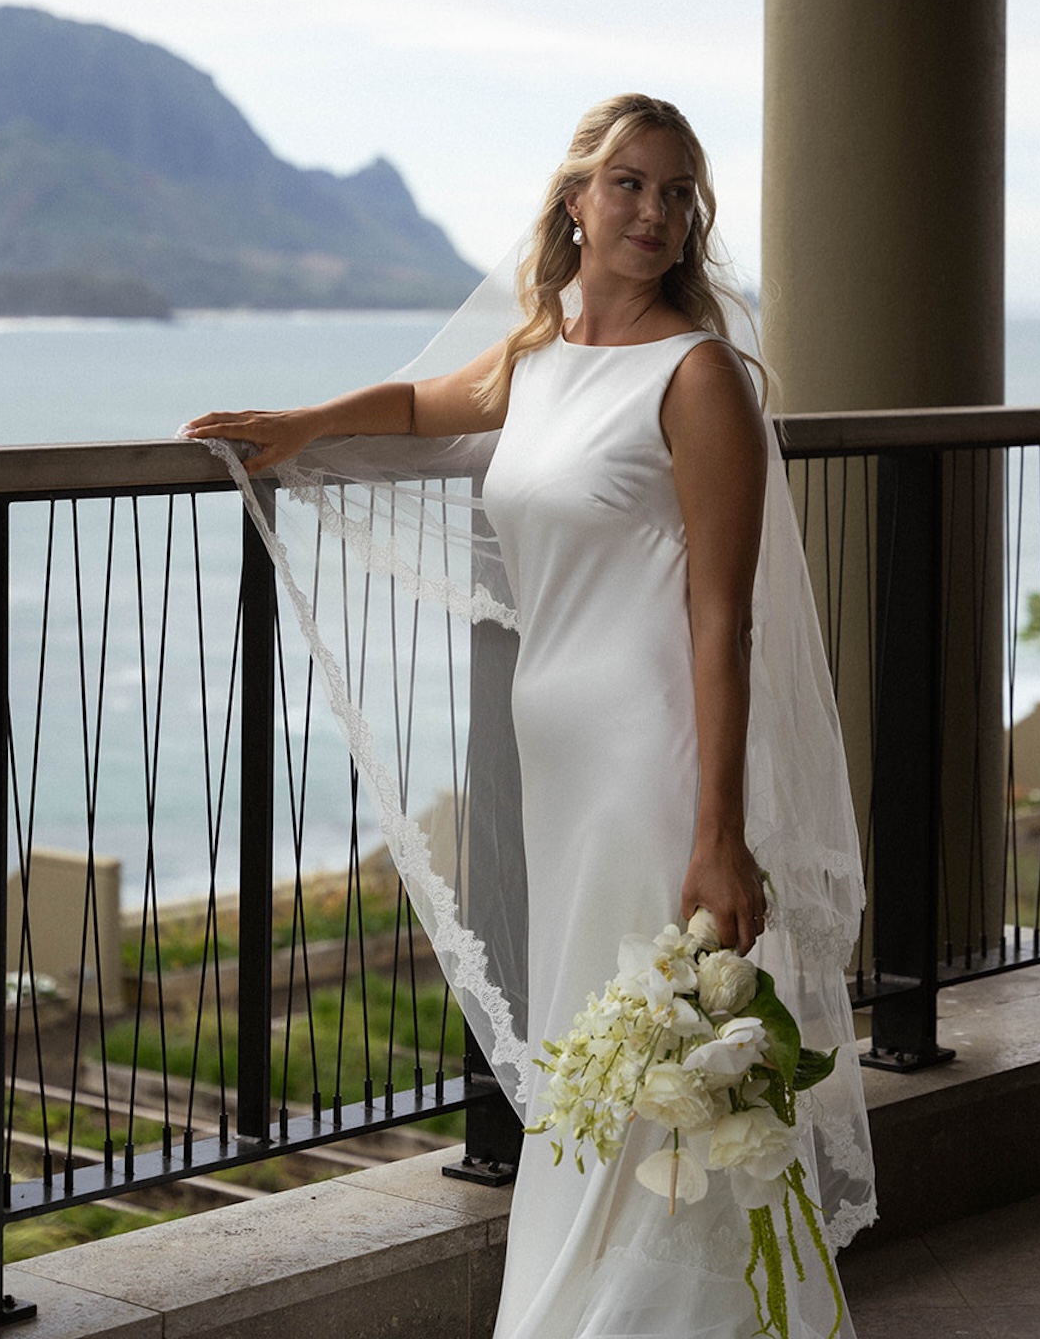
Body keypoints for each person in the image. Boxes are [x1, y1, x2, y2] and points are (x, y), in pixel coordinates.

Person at [186, 94, 873, 1338]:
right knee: (590, 1051)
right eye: (628, 184)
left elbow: (724, 623)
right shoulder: (539, 353)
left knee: (652, 1051)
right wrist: (299, 427)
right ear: (574, 199)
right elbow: (419, 405)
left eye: (675, 194)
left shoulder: (697, 375)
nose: (654, 213)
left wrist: (716, 832)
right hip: (557, 762)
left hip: (646, 762)